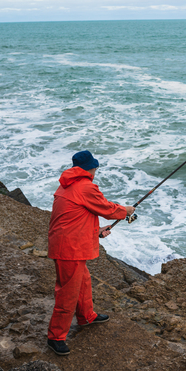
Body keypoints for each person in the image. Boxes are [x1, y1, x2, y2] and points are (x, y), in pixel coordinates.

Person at [46, 150, 135, 356]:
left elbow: (74, 218)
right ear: (90, 169)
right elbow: (107, 209)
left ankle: (86, 316)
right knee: (67, 293)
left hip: (67, 243)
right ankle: (55, 337)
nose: (95, 171)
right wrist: (126, 210)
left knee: (84, 281)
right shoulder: (86, 186)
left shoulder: (67, 185)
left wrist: (97, 231)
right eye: (95, 167)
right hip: (69, 249)